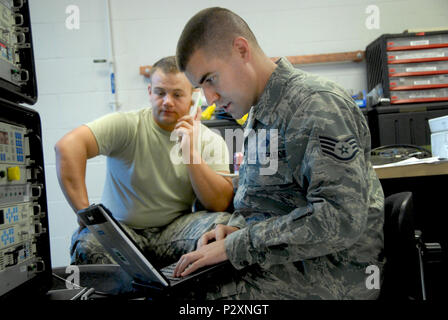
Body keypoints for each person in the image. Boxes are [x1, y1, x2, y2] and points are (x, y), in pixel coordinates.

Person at [173, 7, 385, 299]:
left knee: (196, 297)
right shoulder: (260, 111)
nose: (209, 98)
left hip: (336, 272)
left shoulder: (315, 105)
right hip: (290, 261)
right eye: (200, 86)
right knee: (179, 281)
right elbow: (268, 201)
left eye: (211, 79)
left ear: (241, 50)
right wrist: (232, 231)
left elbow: (341, 218)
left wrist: (237, 245)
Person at [55, 56, 233, 267]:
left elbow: (219, 204)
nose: (167, 101)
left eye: (177, 94)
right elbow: (67, 147)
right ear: (150, 93)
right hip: (123, 232)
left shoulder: (209, 140)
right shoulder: (127, 125)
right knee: (88, 244)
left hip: (174, 232)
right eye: (160, 93)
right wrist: (84, 212)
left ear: (192, 98)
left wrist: (191, 153)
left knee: (221, 230)